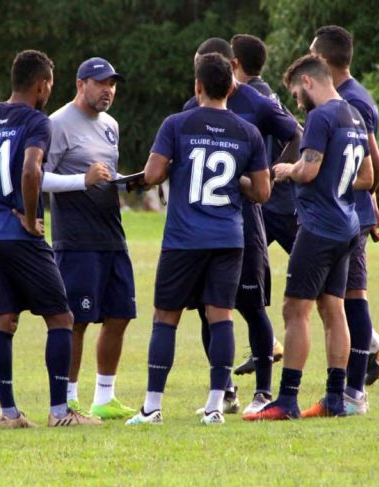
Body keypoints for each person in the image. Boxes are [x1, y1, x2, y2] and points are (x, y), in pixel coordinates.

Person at [126, 52, 271, 426]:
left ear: (198, 86)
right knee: (220, 315)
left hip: (184, 238)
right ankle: (213, 407)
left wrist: (181, 163)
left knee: (166, 317)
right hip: (228, 238)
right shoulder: (247, 132)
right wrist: (235, 176)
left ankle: (152, 406)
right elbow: (262, 192)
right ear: (233, 87)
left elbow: (154, 174)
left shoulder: (177, 123)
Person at [0, 50, 101, 428]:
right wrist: (27, 218)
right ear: (41, 85)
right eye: (49, 86)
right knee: (61, 318)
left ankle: (9, 413)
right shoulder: (37, 121)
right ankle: (60, 412)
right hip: (18, 235)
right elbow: (30, 170)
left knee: (3, 320)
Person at [244, 54, 373, 421]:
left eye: (297, 92)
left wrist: (287, 169)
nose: (297, 101)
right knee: (333, 310)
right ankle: (335, 398)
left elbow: (308, 168)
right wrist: (336, 181)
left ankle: (286, 400)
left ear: (308, 81)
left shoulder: (321, 117)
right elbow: (367, 176)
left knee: (294, 310)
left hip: (318, 227)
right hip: (348, 225)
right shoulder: (355, 115)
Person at [184, 38, 301, 417]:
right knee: (207, 308)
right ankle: (225, 389)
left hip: (246, 222)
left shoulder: (255, 103)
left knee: (252, 307)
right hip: (203, 226)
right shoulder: (190, 110)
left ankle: (264, 391)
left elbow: (296, 134)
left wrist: (270, 174)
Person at [45, 57, 137, 420]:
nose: (108, 91)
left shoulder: (111, 125)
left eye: (112, 84)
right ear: (81, 84)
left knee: (120, 315)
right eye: (101, 83)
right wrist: (80, 181)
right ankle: (67, 399)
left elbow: (106, 175)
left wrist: (133, 180)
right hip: (76, 239)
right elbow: (38, 177)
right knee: (76, 321)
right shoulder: (57, 124)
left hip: (112, 234)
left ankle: (105, 396)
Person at [310, 25, 379, 413]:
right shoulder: (352, 96)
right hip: (354, 211)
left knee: (351, 301)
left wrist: (367, 203)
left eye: (313, 56)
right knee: (343, 300)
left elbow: (371, 161)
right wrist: (374, 203)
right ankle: (351, 389)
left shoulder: (349, 102)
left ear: (325, 61)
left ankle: (354, 391)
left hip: (347, 214)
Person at [230, 33, 301, 376]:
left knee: (321, 278)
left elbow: (296, 132)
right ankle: (268, 342)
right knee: (243, 278)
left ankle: (372, 341)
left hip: (276, 205)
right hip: (268, 204)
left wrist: (272, 176)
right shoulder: (264, 89)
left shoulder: (254, 95)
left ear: (235, 63)